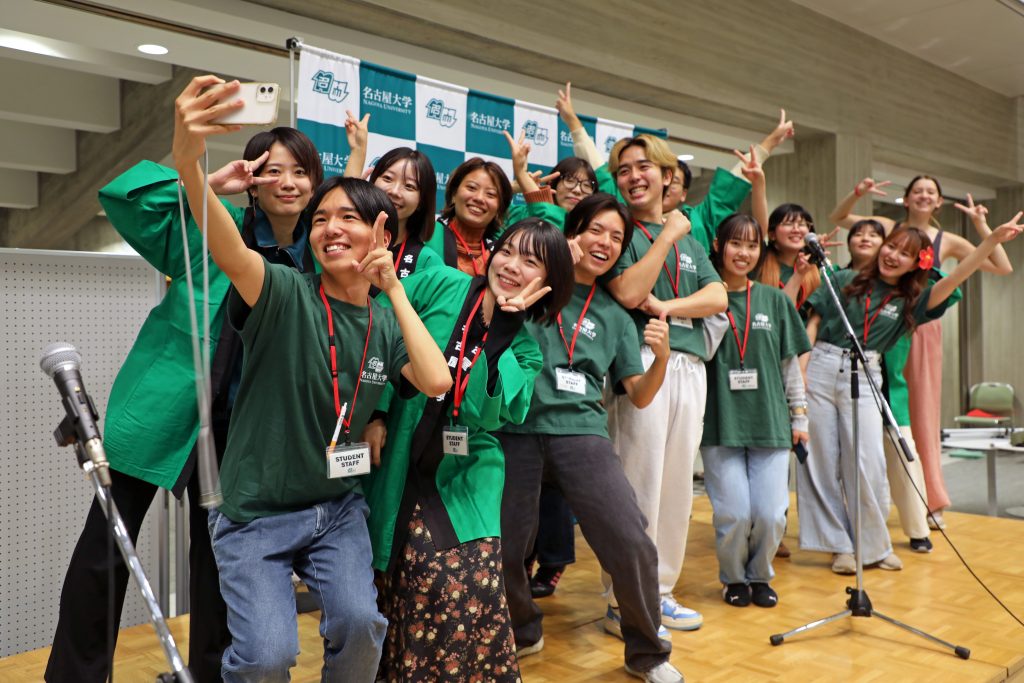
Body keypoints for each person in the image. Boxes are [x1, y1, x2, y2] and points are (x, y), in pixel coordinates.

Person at [173, 75, 452, 682]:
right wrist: (189, 159)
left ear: (382, 234)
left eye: (348, 217)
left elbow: (434, 382)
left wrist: (395, 290)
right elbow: (226, 249)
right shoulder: (281, 289)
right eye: (320, 217)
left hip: (335, 508)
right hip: (254, 513)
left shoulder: (385, 318)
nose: (328, 227)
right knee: (267, 656)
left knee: (361, 627)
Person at [45, 84, 324, 682]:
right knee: (107, 551)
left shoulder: (318, 261)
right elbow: (120, 197)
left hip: (243, 431)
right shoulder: (205, 228)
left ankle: (208, 673)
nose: (287, 182)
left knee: (219, 563)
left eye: (300, 171)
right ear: (251, 178)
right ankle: (73, 675)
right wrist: (200, 183)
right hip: (161, 411)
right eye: (271, 170)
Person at [365, 217, 574, 682]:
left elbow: (484, 413)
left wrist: (500, 334)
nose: (513, 266)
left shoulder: (527, 351)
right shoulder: (440, 282)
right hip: (398, 451)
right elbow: (381, 327)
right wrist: (376, 412)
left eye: (532, 262)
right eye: (509, 251)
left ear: (550, 283)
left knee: (461, 585)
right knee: (390, 580)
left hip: (463, 475)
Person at [497, 194, 684, 683]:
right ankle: (522, 629)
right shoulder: (534, 284)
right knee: (504, 546)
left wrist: (661, 359)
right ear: (572, 232)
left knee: (630, 542)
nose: (604, 242)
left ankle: (649, 654)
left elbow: (638, 396)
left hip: (582, 435)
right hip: (514, 432)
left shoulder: (617, 316)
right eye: (595, 230)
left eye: (616, 237)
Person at [799, 219, 1022, 575]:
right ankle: (839, 546)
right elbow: (812, 322)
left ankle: (873, 546)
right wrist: (802, 371)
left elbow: (957, 276)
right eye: (892, 246)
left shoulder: (913, 300)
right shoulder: (842, 279)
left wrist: (991, 239)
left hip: (868, 370)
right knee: (823, 461)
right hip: (823, 366)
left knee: (869, 461)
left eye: (905, 253)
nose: (892, 255)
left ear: (917, 263)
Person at [829, 177, 1014, 528]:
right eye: (918, 190)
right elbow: (840, 219)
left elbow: (1002, 267)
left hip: (922, 326)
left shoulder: (950, 240)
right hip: (880, 321)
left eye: (931, 191)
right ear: (906, 198)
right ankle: (870, 500)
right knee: (875, 408)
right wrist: (857, 194)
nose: (924, 195)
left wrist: (982, 226)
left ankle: (930, 498)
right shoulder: (887, 228)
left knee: (922, 413)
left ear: (940, 201)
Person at [601, 133, 728, 632]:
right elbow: (630, 291)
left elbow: (717, 297)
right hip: (640, 366)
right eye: (623, 170)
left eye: (643, 166)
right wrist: (667, 236)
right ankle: (623, 601)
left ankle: (660, 591)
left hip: (689, 365)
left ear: (666, 175)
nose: (634, 176)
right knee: (638, 484)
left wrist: (670, 306)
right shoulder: (619, 232)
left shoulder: (693, 240)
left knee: (677, 486)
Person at [701, 213, 810, 608]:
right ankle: (733, 578)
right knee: (733, 514)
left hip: (770, 423)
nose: (743, 253)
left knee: (770, 515)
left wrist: (800, 418)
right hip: (720, 423)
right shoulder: (705, 297)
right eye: (735, 243)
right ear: (718, 246)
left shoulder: (775, 299)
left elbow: (789, 366)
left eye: (751, 245)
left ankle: (760, 575)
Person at [845, 219, 953, 555]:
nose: (869, 241)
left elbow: (950, 290)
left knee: (905, 457)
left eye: (876, 237)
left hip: (893, 388)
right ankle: (854, 535)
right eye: (860, 235)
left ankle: (918, 528)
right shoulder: (842, 280)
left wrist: (920, 264)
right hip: (848, 384)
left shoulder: (910, 293)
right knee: (854, 464)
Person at [344, 133, 444, 279]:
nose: (395, 191)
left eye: (409, 186)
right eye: (387, 178)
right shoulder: (342, 237)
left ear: (421, 202)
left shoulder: (427, 261)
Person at [424, 157, 513, 275]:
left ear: (499, 209)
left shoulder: (500, 255)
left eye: (490, 194)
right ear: (454, 194)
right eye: (471, 188)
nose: (479, 198)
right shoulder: (426, 234)